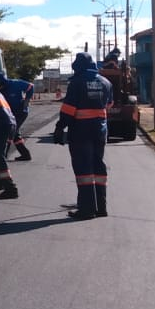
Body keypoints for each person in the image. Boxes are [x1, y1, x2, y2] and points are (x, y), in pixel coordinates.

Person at [53, 52, 113, 219]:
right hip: (100, 131)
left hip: (80, 132)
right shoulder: (106, 83)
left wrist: (59, 128)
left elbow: (68, 110)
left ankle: (86, 209)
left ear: (77, 67)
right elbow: (109, 104)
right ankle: (101, 207)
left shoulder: (77, 82)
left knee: (83, 170)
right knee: (98, 167)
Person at [0, 71, 35, 161]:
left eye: (2, 84)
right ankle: (25, 154)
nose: (1, 86)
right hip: (11, 113)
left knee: (10, 131)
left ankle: (3, 155)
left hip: (21, 112)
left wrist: (26, 101)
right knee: (15, 134)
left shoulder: (16, 83)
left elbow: (31, 87)